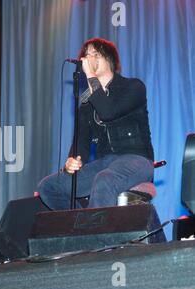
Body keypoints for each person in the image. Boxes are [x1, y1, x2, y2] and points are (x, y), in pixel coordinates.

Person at [38, 38, 154, 210]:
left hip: (136, 158)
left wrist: (91, 77)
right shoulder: (86, 104)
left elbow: (109, 112)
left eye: (96, 54)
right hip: (105, 162)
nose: (90, 58)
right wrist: (73, 159)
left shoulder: (133, 86)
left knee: (104, 179)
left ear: (110, 60)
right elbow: (81, 143)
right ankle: (82, 227)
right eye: (87, 55)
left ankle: (97, 235)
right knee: (48, 186)